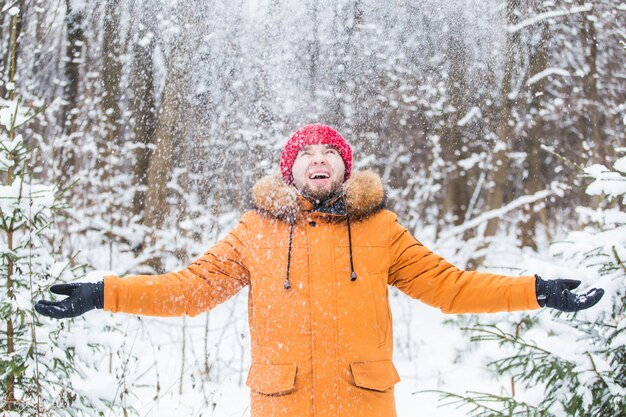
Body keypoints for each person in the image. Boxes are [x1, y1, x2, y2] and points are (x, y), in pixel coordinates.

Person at [36, 123, 604, 417]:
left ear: (343, 168)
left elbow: (452, 289)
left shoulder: (382, 230)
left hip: (364, 403)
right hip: (280, 403)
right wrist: (101, 292)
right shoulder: (255, 231)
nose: (318, 159)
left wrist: (538, 290)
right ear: (290, 171)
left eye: (329, 152)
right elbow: (188, 290)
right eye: (306, 153)